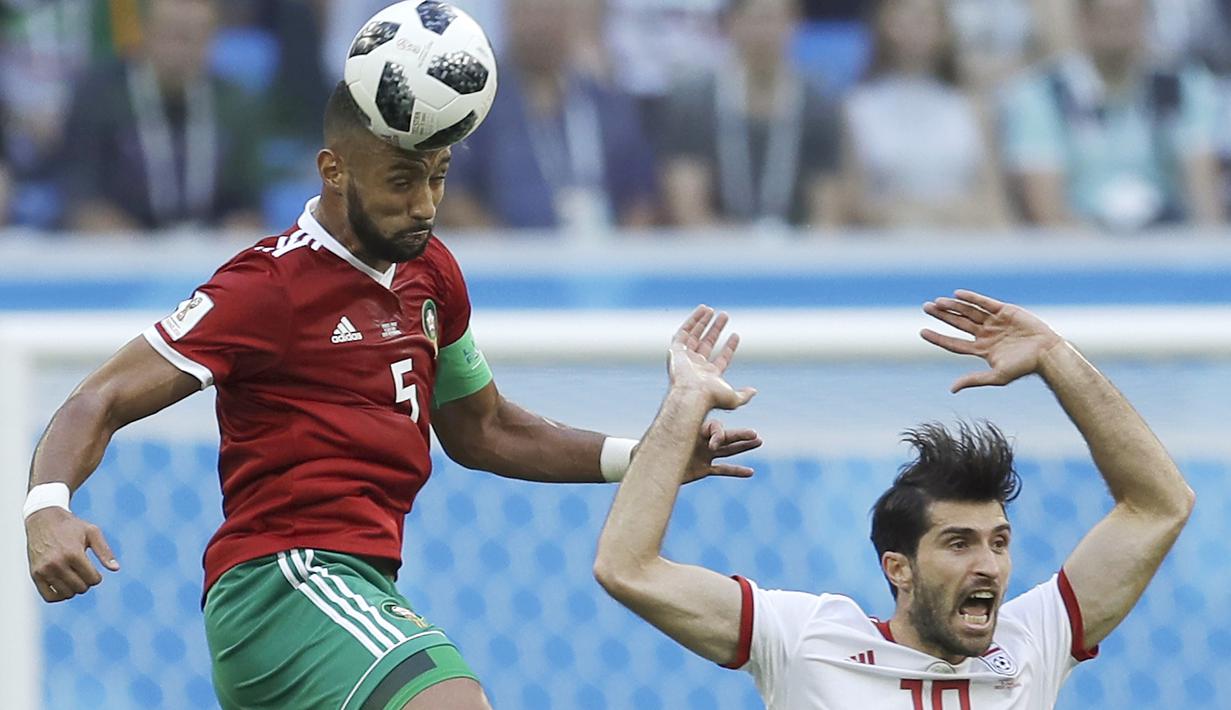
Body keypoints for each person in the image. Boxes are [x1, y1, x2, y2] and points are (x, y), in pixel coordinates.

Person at [21, 71, 761, 710]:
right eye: (402, 182)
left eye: (437, 176)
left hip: (362, 584)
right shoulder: (267, 286)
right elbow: (100, 398)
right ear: (334, 169)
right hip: (287, 579)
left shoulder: (432, 274)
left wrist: (650, 456)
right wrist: (47, 508)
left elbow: (486, 430)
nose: (425, 204)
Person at [594, 293, 1194, 707]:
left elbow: (1159, 504)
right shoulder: (802, 641)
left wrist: (1056, 359)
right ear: (897, 568)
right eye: (958, 543)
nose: (987, 563)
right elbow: (628, 569)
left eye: (999, 542)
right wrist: (685, 405)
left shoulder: (1033, 640)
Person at [1000, 0, 1225, 230]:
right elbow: (1048, 215)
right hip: (1080, 252)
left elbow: (1204, 199)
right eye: (1108, 20)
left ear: (1148, 21)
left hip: (1170, 246)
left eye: (1128, 20)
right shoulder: (1040, 96)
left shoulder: (1185, 87)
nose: (1118, 33)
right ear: (1083, 21)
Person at [439, 0, 658, 233]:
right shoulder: (473, 106)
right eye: (529, 12)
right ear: (508, 18)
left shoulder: (607, 104)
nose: (541, 25)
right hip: (506, 260)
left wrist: (625, 256)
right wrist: (505, 256)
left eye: (551, 12)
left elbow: (640, 197)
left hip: (604, 257)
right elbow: (453, 197)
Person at [56, 0, 270, 232]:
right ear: (144, 33)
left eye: (193, 37)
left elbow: (250, 201)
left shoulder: (234, 102)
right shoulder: (99, 93)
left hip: (208, 244)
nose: (180, 50)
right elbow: (79, 192)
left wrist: (241, 227)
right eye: (170, 35)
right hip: (119, 245)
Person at [658, 0, 843, 229]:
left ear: (795, 25)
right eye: (756, 19)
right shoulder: (695, 100)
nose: (764, 32)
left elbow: (828, 212)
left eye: (774, 20)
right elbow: (688, 209)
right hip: (714, 251)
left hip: (797, 253)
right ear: (731, 24)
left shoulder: (818, 105)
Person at [835, 0, 1009, 229]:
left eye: (924, 18)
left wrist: (941, 216)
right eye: (902, 19)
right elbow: (852, 204)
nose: (913, 28)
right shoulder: (858, 108)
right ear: (883, 25)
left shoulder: (971, 107)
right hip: (889, 246)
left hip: (966, 243)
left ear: (944, 29)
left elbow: (995, 204)